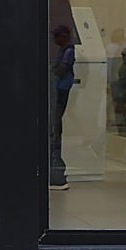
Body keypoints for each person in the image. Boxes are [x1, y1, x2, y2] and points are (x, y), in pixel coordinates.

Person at [48, 24, 77, 190]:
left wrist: (53, 71)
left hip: (62, 88)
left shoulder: (68, 50)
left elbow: (62, 68)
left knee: (56, 119)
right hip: (60, 87)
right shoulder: (65, 49)